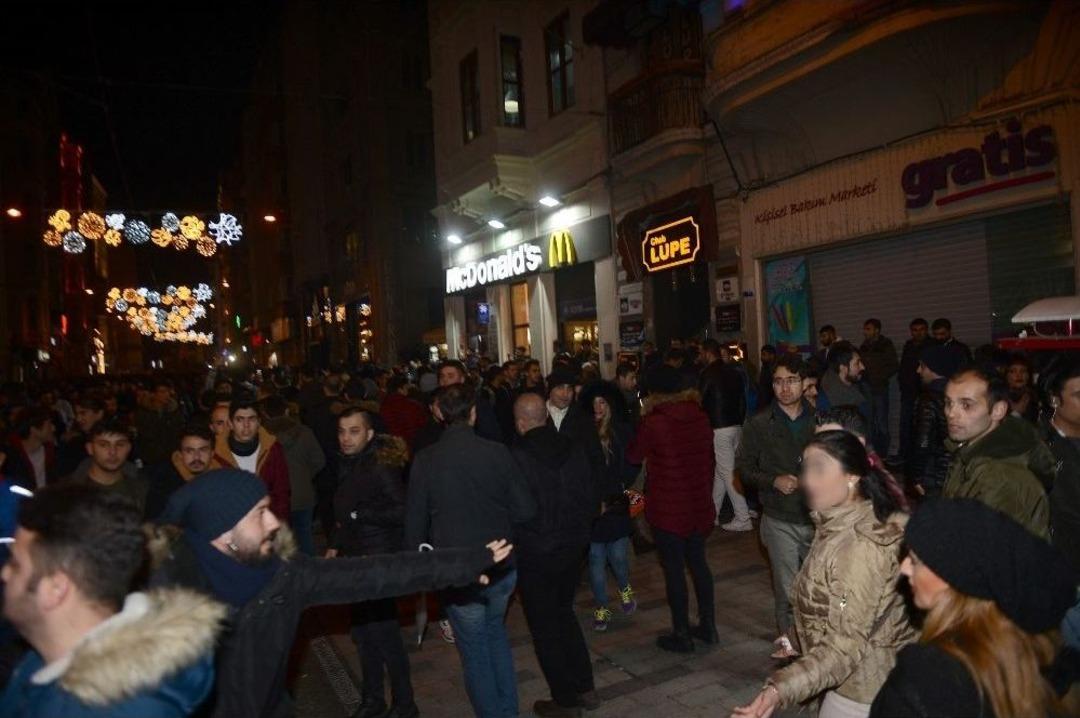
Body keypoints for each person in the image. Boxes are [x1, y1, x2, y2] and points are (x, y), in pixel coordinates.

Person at [152, 468, 512, 718]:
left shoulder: (285, 575)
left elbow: (374, 574)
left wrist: (462, 565)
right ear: (223, 531)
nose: (275, 522)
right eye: (260, 513)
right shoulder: (160, 602)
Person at [0, 483, 225, 717]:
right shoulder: (43, 658)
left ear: (56, 589)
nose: (4, 573)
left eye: (15, 564)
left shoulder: (107, 710)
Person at [734, 431, 913, 718]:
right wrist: (797, 635)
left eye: (820, 468)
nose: (807, 480)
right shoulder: (838, 523)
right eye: (806, 468)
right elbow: (838, 605)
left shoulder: (858, 547)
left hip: (860, 692)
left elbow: (843, 645)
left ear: (852, 477)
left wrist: (779, 689)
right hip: (853, 680)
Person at [870, 499, 1079, 718]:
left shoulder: (928, 681)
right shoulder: (1023, 660)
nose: (904, 569)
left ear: (954, 580)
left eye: (915, 561)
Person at [404, 384, 536, 718]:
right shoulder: (498, 452)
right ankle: (508, 710)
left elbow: (413, 524)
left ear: (438, 413)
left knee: (475, 649)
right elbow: (525, 509)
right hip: (501, 563)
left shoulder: (426, 459)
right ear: (474, 413)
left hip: (457, 569)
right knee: (495, 634)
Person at [511, 394, 597, 718]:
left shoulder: (517, 456)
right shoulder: (572, 447)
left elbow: (517, 509)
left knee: (545, 626)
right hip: (574, 545)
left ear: (521, 423)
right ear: (545, 417)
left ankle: (565, 700)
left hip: (537, 550)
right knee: (564, 612)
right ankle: (585, 686)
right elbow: (589, 493)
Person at [328, 408, 416, 718]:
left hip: (377, 561)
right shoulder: (349, 463)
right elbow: (344, 511)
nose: (346, 438)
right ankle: (373, 699)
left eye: (353, 431)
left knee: (385, 636)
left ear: (368, 434)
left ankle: (405, 704)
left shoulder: (379, 465)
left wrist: (360, 516)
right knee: (364, 636)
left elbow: (400, 511)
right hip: (356, 558)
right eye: (341, 431)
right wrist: (335, 546)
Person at [626, 365, 716, 653]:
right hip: (698, 502)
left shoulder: (654, 422)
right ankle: (708, 626)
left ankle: (681, 633)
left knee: (674, 571)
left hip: (668, 508)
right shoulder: (700, 416)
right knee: (699, 565)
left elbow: (633, 455)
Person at [736, 354, 815, 659]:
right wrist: (772, 481)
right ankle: (789, 648)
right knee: (786, 590)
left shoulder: (819, 418)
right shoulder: (758, 423)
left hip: (816, 517)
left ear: (804, 383)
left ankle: (820, 643)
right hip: (780, 517)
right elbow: (743, 469)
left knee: (819, 586)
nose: (785, 388)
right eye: (778, 381)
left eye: (792, 380)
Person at [942, 367, 1053, 537]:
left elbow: (987, 552)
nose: (951, 413)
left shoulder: (1000, 474)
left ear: (998, 411)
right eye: (949, 403)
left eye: (966, 405)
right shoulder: (970, 453)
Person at [579, 382, 638, 632]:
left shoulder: (620, 432)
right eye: (594, 404)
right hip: (592, 506)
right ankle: (601, 605)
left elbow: (634, 462)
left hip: (615, 504)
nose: (598, 408)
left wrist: (625, 484)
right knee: (595, 560)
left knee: (617, 557)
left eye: (602, 402)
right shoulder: (582, 433)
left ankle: (624, 587)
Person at [261, 395, 325, 556]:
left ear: (265, 415)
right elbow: (320, 460)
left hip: (275, 498)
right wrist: (304, 476)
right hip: (303, 495)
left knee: (279, 543)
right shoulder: (305, 432)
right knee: (304, 536)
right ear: (287, 411)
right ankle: (311, 574)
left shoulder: (263, 439)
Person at [210, 398, 291, 523]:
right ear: (230, 424)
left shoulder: (273, 449)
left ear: (259, 422)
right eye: (240, 419)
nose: (246, 425)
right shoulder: (215, 453)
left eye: (251, 419)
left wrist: (279, 524)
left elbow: (281, 491)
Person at [699, 339, 751, 532]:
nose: (700, 356)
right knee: (722, 472)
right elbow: (742, 400)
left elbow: (701, 401)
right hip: (736, 425)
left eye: (700, 352)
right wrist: (740, 421)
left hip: (718, 428)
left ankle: (743, 517)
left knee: (726, 473)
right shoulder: (734, 372)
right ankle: (712, 514)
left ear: (707, 352)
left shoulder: (707, 374)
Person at [909, 344, 962, 498]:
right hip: (954, 471)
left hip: (933, 473)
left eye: (922, 366)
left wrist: (917, 475)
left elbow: (923, 440)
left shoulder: (929, 399)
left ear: (934, 368)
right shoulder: (958, 395)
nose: (918, 371)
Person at [66, 419, 148, 512]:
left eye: (120, 444)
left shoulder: (142, 488)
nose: (112, 452)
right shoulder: (68, 492)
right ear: (90, 449)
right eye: (104, 445)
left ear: (129, 448)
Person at [143, 423, 215, 521]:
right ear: (180, 454)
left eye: (203, 450)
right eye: (189, 451)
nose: (197, 457)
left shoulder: (222, 483)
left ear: (212, 453)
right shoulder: (162, 488)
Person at [897, 318, 930, 464]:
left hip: (925, 392)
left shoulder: (931, 346)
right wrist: (902, 382)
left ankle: (920, 458)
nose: (918, 333)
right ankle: (904, 455)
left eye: (921, 330)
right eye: (915, 330)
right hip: (908, 391)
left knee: (923, 425)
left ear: (926, 330)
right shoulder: (909, 345)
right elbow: (904, 366)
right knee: (905, 424)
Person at [0, 408, 57, 491]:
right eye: (49, 425)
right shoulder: (9, 457)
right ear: (34, 430)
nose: (53, 428)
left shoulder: (50, 452)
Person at [133, 380, 185, 468]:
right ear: (153, 394)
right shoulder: (144, 413)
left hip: (171, 457)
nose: (166, 395)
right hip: (150, 457)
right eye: (162, 392)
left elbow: (178, 432)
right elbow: (143, 435)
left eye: (168, 391)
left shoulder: (174, 411)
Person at [56, 392, 106, 477]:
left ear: (99, 414)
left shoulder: (114, 440)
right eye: (76, 414)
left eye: (83, 413)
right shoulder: (73, 443)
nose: (78, 419)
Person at [379, 375, 433, 453]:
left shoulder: (383, 405)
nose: (408, 389)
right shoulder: (412, 406)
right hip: (412, 447)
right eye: (406, 387)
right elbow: (423, 426)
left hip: (393, 448)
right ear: (400, 389)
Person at [819, 341, 869, 420]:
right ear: (843, 368)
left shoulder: (862, 387)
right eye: (857, 363)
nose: (863, 367)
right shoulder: (826, 400)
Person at [1006, 354, 1038, 423]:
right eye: (1013, 371)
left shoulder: (1036, 396)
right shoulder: (1000, 396)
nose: (1019, 375)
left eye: (1023, 371)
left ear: (1028, 375)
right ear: (1006, 375)